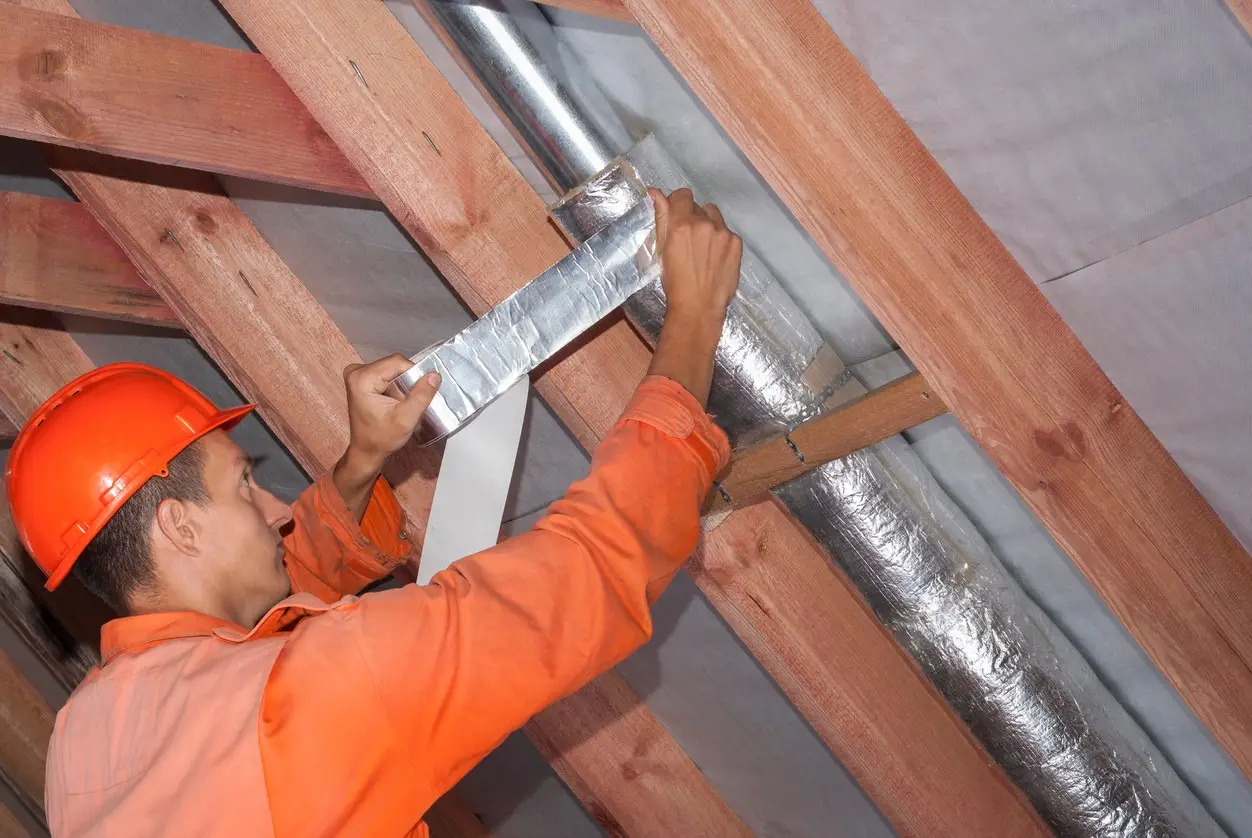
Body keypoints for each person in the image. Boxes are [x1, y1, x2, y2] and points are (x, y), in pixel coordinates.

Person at [5, 189, 742, 837]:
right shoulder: (327, 694)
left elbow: (255, 631)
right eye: (242, 485)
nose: (273, 507)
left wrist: (362, 465)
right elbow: (585, 575)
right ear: (178, 525)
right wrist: (695, 323)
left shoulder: (86, 744)